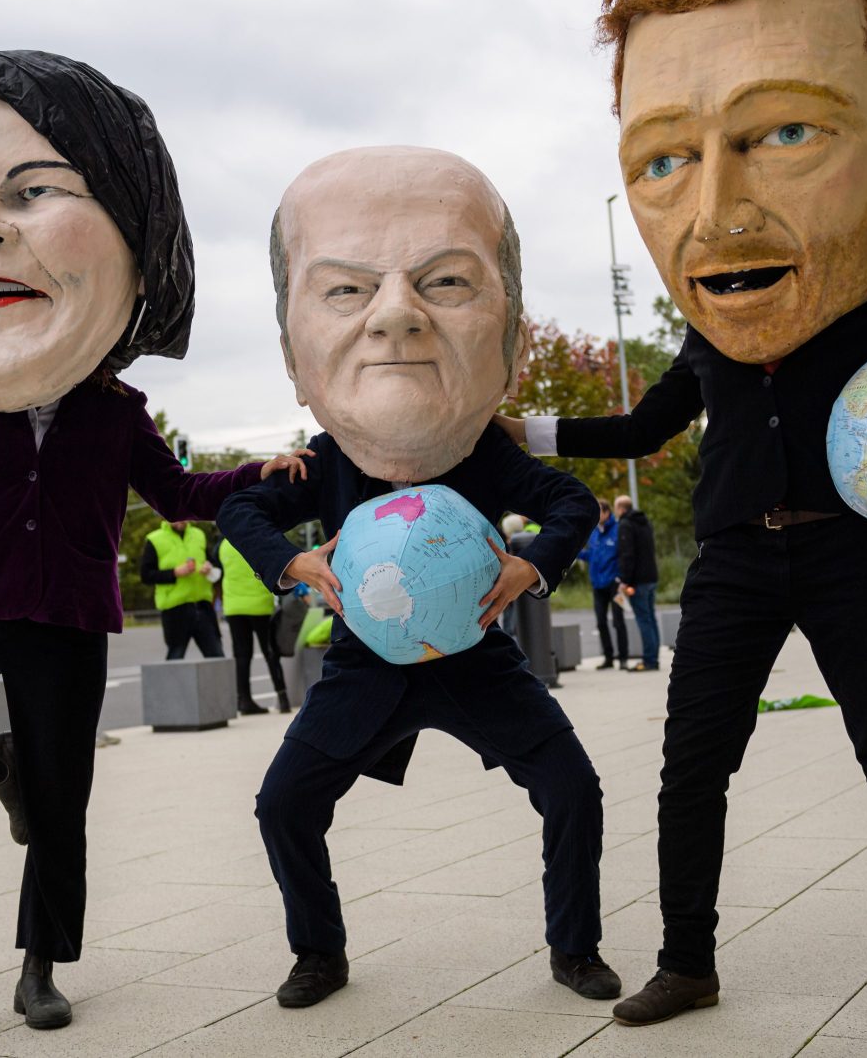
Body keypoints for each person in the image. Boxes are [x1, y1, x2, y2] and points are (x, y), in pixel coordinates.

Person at [498, 0, 867, 1028]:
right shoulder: (710, 341)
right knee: (691, 767)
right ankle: (687, 962)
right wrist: (527, 432)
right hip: (737, 563)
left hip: (846, 555)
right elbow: (641, 426)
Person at [0, 50, 306, 1032]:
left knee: (62, 807)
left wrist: (263, 472)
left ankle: (40, 968)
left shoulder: (115, 411)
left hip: (68, 619)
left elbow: (177, 492)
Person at [220, 146, 616, 1012]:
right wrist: (292, 561)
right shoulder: (323, 461)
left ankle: (575, 948)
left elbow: (572, 503)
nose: (394, 316)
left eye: (442, 283)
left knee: (572, 791)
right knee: (284, 805)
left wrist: (530, 566)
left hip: (475, 658)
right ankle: (318, 953)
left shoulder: (482, 453)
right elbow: (239, 513)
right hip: (366, 667)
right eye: (345, 289)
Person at [211, 533, 291, 714]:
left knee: (242, 655)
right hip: (259, 604)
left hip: (234, 606)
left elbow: (216, 572)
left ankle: (244, 700)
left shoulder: (222, 545)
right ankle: (283, 698)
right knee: (270, 652)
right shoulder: (257, 537)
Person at [140, 520, 224, 660]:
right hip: (175, 609)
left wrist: (208, 567)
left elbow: (211, 562)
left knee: (217, 657)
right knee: (175, 658)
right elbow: (146, 575)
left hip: (203, 606)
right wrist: (174, 573)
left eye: (185, 516)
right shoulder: (154, 539)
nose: (181, 520)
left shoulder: (198, 535)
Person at [581, 499, 628, 669]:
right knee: (601, 622)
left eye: (599, 511)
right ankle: (608, 657)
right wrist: (576, 553)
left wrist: (621, 578)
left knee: (618, 621)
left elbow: (623, 555)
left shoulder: (617, 530)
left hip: (614, 584)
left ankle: (623, 657)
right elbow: (591, 556)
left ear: (607, 513)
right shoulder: (593, 533)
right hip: (598, 584)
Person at [614, 495, 659, 671]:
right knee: (651, 618)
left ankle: (649, 660)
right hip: (651, 576)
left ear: (620, 509)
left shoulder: (625, 525)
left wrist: (624, 580)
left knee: (643, 619)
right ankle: (653, 657)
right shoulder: (645, 522)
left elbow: (627, 555)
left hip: (637, 580)